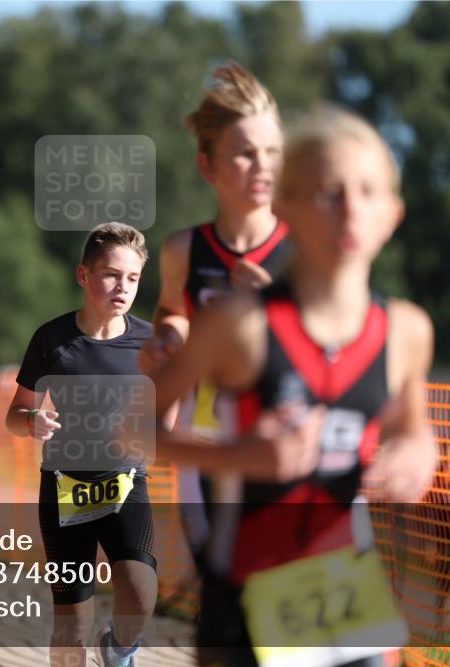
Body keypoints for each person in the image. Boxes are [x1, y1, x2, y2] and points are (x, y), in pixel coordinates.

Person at [148, 107, 438, 666]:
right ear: (285, 208)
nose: (351, 211)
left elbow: (413, 429)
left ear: (393, 214)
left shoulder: (407, 330)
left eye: (369, 192)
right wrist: (238, 456)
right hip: (247, 592)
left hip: (349, 591)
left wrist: (417, 454)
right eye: (328, 193)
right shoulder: (239, 325)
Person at [138, 61, 292, 569]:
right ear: (208, 167)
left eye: (272, 152)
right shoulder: (184, 250)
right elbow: (172, 309)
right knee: (217, 578)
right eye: (245, 154)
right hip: (204, 439)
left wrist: (274, 301)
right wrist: (168, 337)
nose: (262, 166)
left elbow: (334, 341)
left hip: (282, 441)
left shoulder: (303, 253)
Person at [6, 222, 157, 667]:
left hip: (125, 483)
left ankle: (118, 649)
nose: (123, 287)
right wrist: (32, 421)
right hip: (65, 488)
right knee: (72, 626)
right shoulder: (52, 340)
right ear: (83, 275)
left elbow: (165, 412)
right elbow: (16, 414)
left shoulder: (149, 342)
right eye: (111, 274)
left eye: (132, 278)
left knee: (141, 592)